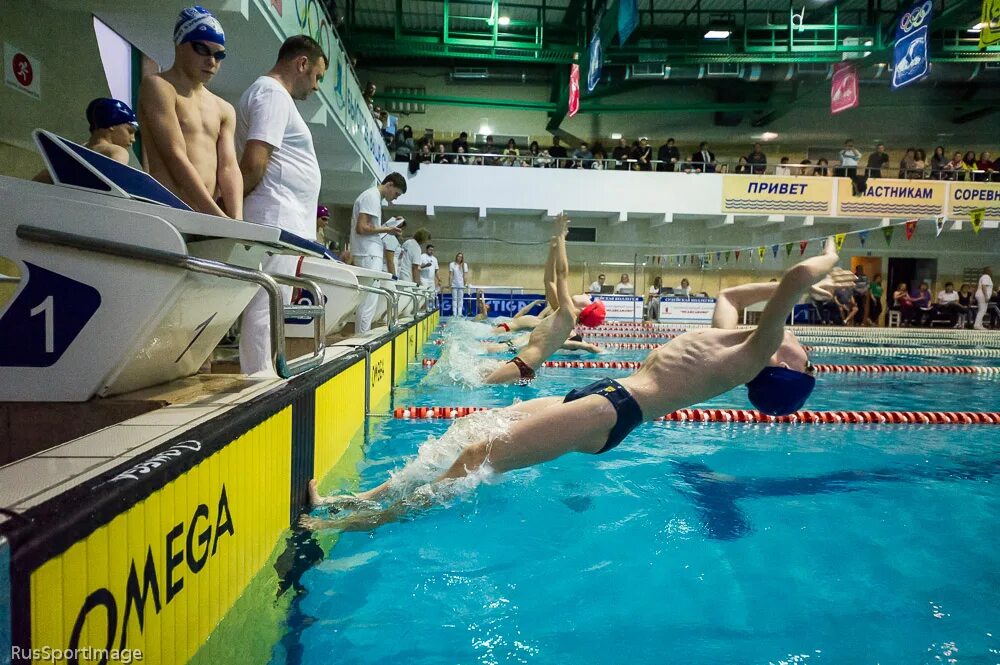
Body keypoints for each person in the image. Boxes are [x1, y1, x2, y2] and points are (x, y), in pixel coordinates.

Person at [301, 238, 855, 531]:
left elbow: (795, 278)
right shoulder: (733, 342)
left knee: (475, 457)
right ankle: (357, 498)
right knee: (474, 428)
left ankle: (362, 522)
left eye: (809, 358)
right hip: (601, 396)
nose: (808, 349)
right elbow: (730, 298)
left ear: (786, 367)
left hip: (608, 414)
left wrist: (828, 255)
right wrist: (798, 288)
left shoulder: (753, 356)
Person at [236, 34, 327, 374]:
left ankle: (265, 373)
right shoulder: (272, 94)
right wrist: (227, 210)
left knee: (273, 304)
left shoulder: (275, 97)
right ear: (301, 63)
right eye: (316, 76)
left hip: (282, 218)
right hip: (273, 215)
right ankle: (257, 379)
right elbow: (254, 162)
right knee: (265, 304)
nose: (316, 86)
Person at [139, 6, 242, 218]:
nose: (211, 61)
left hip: (207, 219)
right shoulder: (159, 87)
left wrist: (237, 220)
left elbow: (229, 168)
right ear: (179, 44)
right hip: (169, 210)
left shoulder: (224, 109)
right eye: (202, 50)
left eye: (219, 55)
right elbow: (174, 156)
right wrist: (218, 218)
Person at [481, 215, 605, 384]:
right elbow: (549, 281)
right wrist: (553, 249)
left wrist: (562, 238)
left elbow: (562, 274)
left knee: (478, 386)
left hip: (523, 364)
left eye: (590, 300)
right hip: (524, 364)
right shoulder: (561, 312)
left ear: (586, 309)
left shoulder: (569, 314)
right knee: (477, 373)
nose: (586, 295)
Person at [350, 173, 407, 333]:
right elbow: (361, 228)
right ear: (389, 185)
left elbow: (371, 229)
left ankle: (363, 334)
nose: (395, 198)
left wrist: (389, 224)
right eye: (396, 193)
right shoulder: (371, 197)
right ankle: (362, 339)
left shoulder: (373, 197)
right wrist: (388, 228)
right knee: (368, 300)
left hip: (369, 252)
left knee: (370, 299)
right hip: (368, 253)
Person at [34, 98, 138, 183]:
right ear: (111, 125)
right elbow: (115, 180)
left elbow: (40, 179)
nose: (133, 139)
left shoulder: (73, 152)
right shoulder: (117, 151)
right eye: (130, 131)